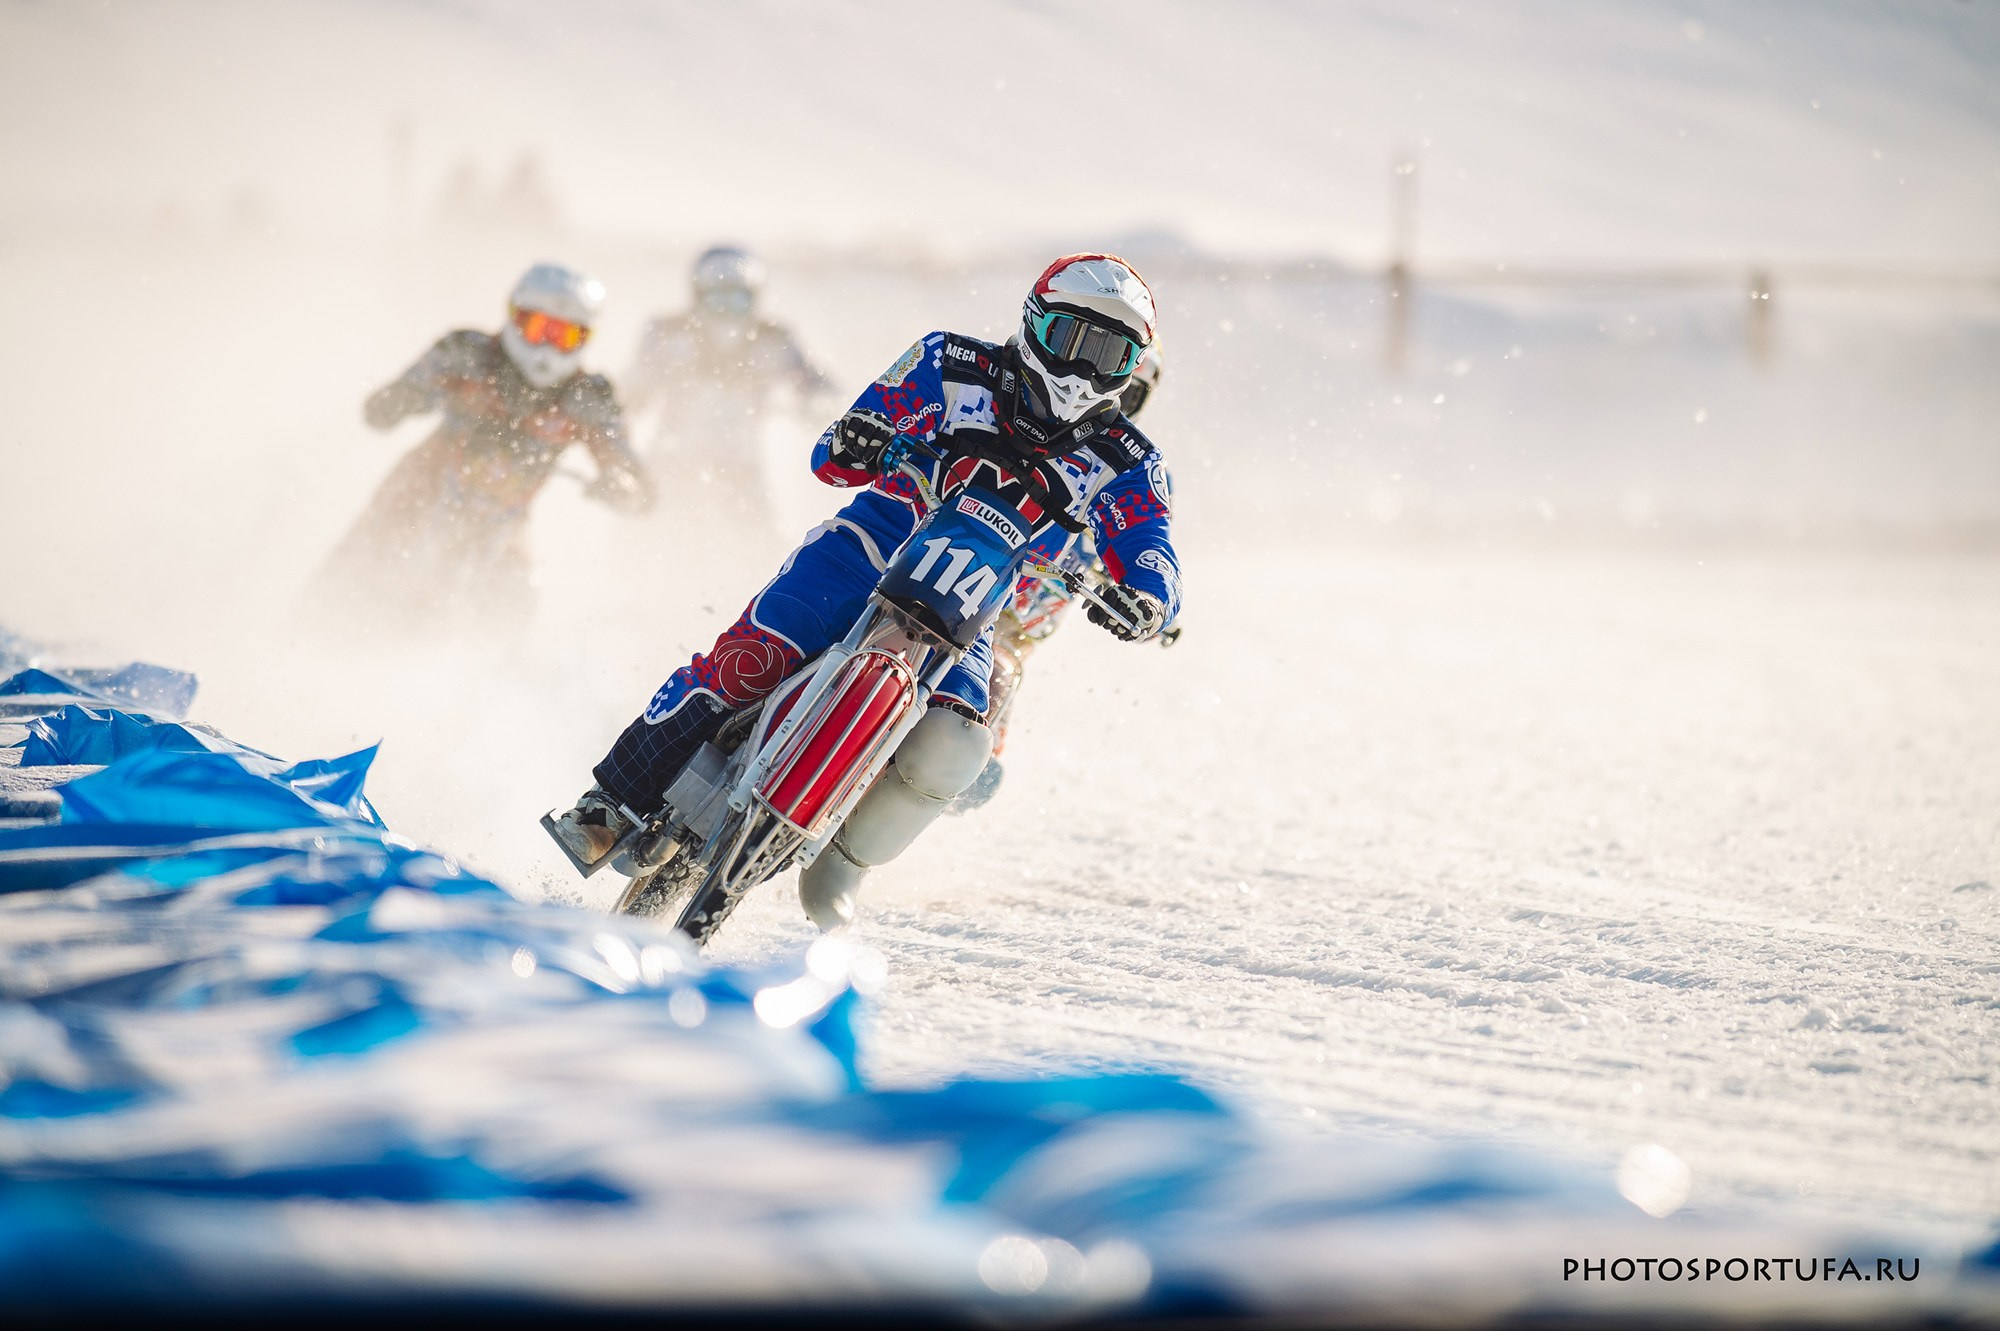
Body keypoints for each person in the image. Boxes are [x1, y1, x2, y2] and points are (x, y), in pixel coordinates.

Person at [548, 254, 1182, 929]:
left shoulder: (1128, 460)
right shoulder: (950, 362)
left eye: (1108, 356)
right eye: (1069, 340)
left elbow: (1150, 541)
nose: (1081, 371)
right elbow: (837, 450)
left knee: (959, 747)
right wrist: (863, 436)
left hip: (976, 606)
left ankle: (838, 873)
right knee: (749, 659)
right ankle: (610, 802)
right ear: (1032, 323)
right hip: (868, 546)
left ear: (1132, 368)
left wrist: (1147, 596)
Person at [315, 263, 651, 621]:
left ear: (585, 339)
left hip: (503, 520)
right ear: (514, 317)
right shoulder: (467, 354)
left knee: (512, 604)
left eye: (564, 336)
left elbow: (638, 484)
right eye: (538, 328)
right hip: (422, 490)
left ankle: (488, 673)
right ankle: (311, 632)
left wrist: (623, 487)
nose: (546, 348)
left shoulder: (588, 397)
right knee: (358, 567)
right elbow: (386, 406)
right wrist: (400, 399)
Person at [956, 342, 1169, 810]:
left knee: (994, 693)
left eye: (1122, 394)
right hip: (949, 578)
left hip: (1010, 628)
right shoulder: (1009, 423)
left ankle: (944, 770)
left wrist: (1145, 603)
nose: (1086, 394)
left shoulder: (1120, 472)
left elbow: (1141, 547)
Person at [622, 245, 834, 539]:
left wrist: (819, 402)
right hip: (674, 462)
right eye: (716, 299)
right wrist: (630, 397)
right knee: (650, 539)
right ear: (697, 297)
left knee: (758, 552)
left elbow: (815, 384)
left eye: (738, 299)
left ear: (755, 298)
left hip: (741, 467)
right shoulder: (668, 336)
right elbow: (635, 386)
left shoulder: (774, 341)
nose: (726, 312)